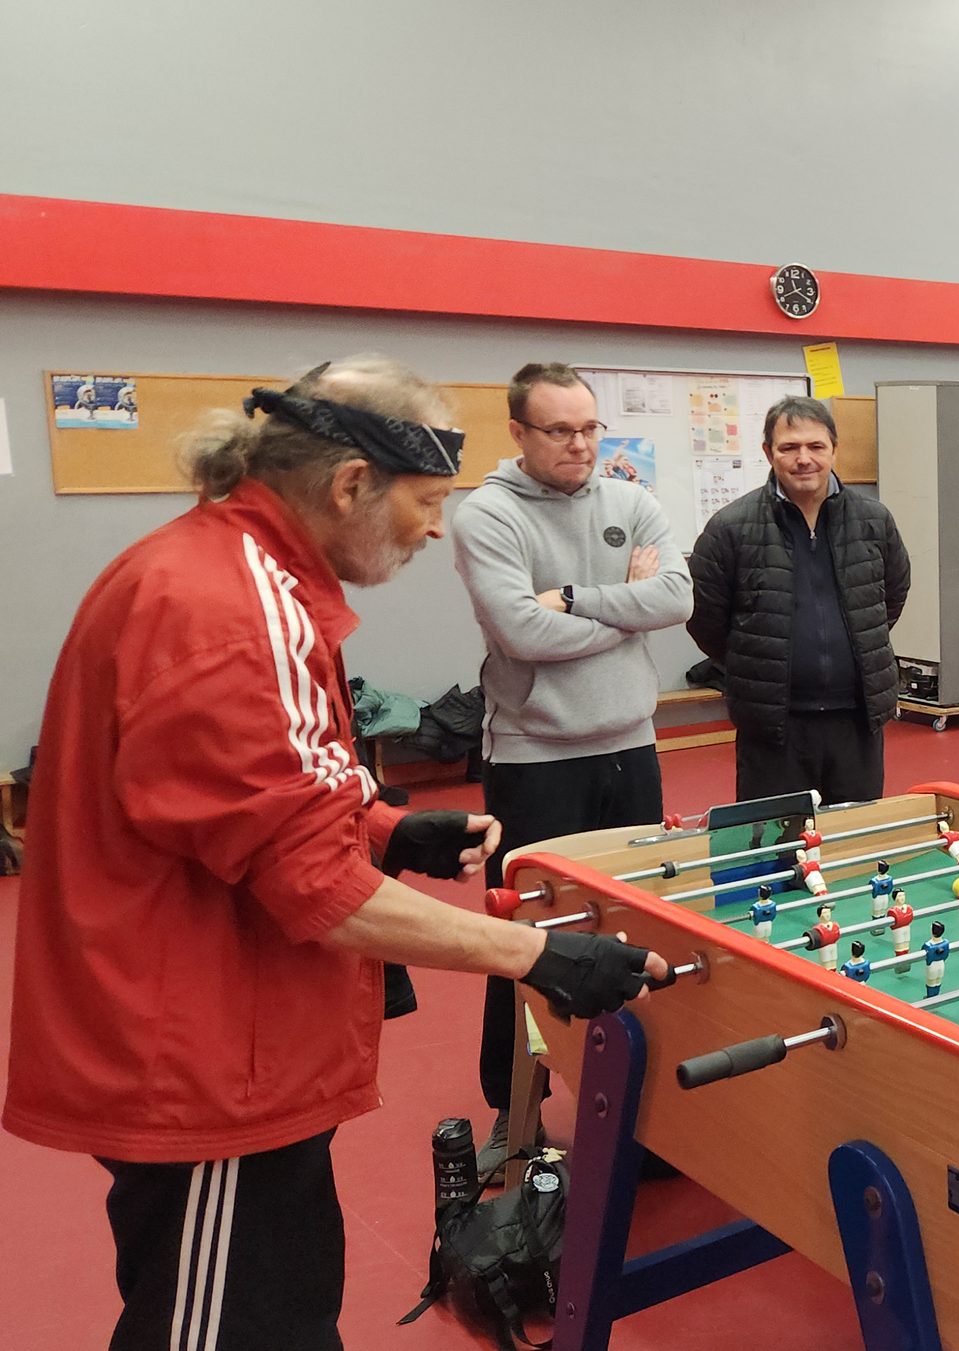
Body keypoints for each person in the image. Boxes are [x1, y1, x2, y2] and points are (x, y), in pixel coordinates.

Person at [5, 356, 663, 1351]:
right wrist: (537, 955)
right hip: (201, 1061)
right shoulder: (229, 606)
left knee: (286, 1310)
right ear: (353, 483)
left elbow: (237, 791)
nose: (435, 529)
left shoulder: (234, 573)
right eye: (426, 501)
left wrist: (387, 827)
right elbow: (315, 889)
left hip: (232, 1042)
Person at [451, 361, 693, 1167]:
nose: (580, 444)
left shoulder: (630, 500)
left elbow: (677, 599)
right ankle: (513, 1106)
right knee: (526, 935)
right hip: (536, 756)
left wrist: (577, 599)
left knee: (636, 925)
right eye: (559, 430)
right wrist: (627, 609)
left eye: (590, 428)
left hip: (631, 745)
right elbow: (523, 632)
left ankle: (638, 1103)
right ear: (517, 431)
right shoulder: (488, 515)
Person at [689, 396, 912, 803]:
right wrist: (757, 662)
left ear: (834, 450)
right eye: (789, 447)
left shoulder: (874, 521)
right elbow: (705, 618)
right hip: (773, 727)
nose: (803, 459)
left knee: (854, 835)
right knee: (777, 838)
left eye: (815, 446)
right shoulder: (730, 529)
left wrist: (855, 641)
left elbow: (890, 597)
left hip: (857, 722)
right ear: (768, 453)